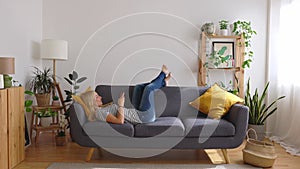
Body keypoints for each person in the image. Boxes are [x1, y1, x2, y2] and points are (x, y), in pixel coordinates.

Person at [80, 65, 172, 124]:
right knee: (148, 89)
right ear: (91, 102)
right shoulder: (99, 113)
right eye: (97, 97)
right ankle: (163, 75)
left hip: (136, 112)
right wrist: (121, 104)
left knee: (138, 87)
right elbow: (120, 121)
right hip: (143, 117)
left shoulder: (100, 109)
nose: (100, 97)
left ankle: (164, 83)